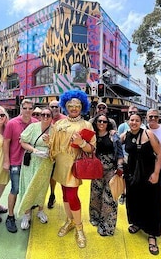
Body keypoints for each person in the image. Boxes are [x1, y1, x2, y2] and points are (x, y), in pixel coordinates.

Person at [49, 90, 96, 248]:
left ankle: (79, 228)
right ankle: (69, 221)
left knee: (72, 195)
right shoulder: (59, 124)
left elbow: (92, 149)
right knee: (65, 194)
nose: (74, 108)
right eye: (71, 105)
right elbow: (53, 146)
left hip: (74, 165)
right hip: (60, 164)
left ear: (82, 106)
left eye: (77, 105)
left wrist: (81, 143)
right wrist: (49, 141)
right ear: (65, 106)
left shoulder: (86, 125)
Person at [121, 113, 161, 256]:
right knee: (134, 200)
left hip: (149, 173)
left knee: (151, 202)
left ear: (141, 121)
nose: (134, 122)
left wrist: (156, 173)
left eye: (137, 120)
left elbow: (159, 154)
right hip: (132, 174)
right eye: (131, 120)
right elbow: (113, 141)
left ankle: (152, 235)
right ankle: (137, 223)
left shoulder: (148, 133)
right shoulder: (126, 134)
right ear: (128, 121)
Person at [3, 99, 37, 233]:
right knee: (15, 189)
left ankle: (26, 214)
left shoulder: (36, 123)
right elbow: (6, 143)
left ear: (33, 109)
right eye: (25, 108)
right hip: (16, 161)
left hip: (31, 162)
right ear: (21, 108)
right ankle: (10, 216)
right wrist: (7, 161)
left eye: (30, 108)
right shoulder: (12, 123)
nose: (27, 111)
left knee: (28, 189)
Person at [18, 107, 54, 230]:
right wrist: (34, 150)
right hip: (32, 160)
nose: (45, 117)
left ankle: (40, 210)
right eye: (42, 114)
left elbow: (58, 148)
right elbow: (22, 142)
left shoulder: (55, 130)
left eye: (48, 115)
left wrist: (49, 144)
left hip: (45, 163)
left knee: (42, 187)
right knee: (28, 185)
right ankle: (26, 214)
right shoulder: (33, 127)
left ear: (51, 116)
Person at [89, 114, 124, 236]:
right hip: (96, 170)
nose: (102, 123)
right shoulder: (92, 135)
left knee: (109, 198)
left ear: (108, 123)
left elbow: (120, 153)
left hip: (111, 170)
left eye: (104, 121)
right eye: (99, 121)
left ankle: (107, 226)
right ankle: (95, 218)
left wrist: (120, 167)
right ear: (96, 122)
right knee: (95, 195)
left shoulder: (113, 135)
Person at [117, 105, 140, 205]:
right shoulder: (123, 126)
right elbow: (118, 142)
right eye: (131, 112)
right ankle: (123, 194)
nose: (132, 114)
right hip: (125, 155)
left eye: (135, 112)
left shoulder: (142, 127)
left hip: (137, 157)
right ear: (127, 113)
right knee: (123, 177)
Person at [47, 100, 66, 209]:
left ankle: (66, 199)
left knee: (64, 178)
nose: (54, 108)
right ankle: (52, 194)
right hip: (49, 154)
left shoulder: (65, 119)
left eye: (57, 106)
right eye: (52, 106)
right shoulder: (46, 118)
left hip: (63, 155)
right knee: (51, 177)